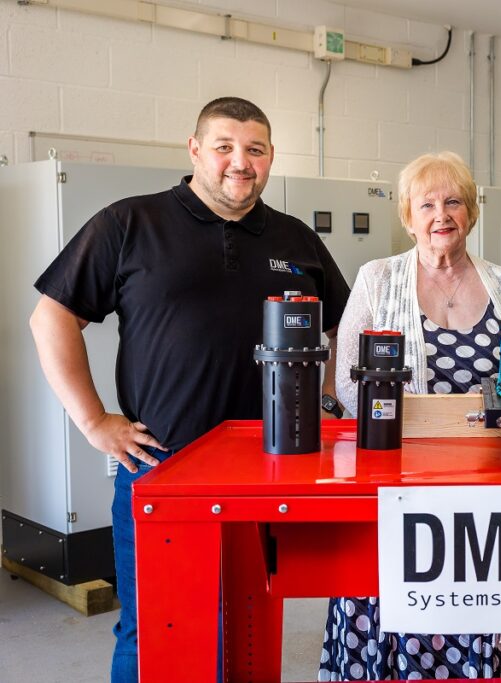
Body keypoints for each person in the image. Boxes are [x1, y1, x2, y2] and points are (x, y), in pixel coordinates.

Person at [29, 97, 350, 683]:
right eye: (224, 146)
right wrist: (95, 421)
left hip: (268, 471)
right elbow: (51, 318)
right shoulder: (129, 224)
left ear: (271, 157)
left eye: (255, 149)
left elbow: (344, 327)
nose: (240, 162)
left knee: (252, 619)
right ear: (195, 150)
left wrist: (327, 399)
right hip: (163, 466)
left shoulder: (296, 239)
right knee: (154, 624)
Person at [320, 151, 501, 681]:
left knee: (485, 609)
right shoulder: (376, 280)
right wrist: (408, 428)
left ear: (471, 212)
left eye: (453, 201)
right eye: (427, 204)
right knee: (391, 602)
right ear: (407, 215)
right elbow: (347, 377)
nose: (441, 214)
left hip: (489, 489)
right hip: (396, 480)